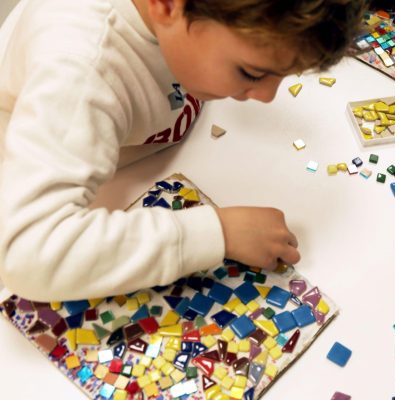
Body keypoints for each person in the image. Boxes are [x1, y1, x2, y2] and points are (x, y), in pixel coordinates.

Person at [0, 0, 366, 301]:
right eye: (252, 74)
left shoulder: (192, 25)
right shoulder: (81, 73)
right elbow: (27, 253)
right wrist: (218, 233)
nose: (268, 97)